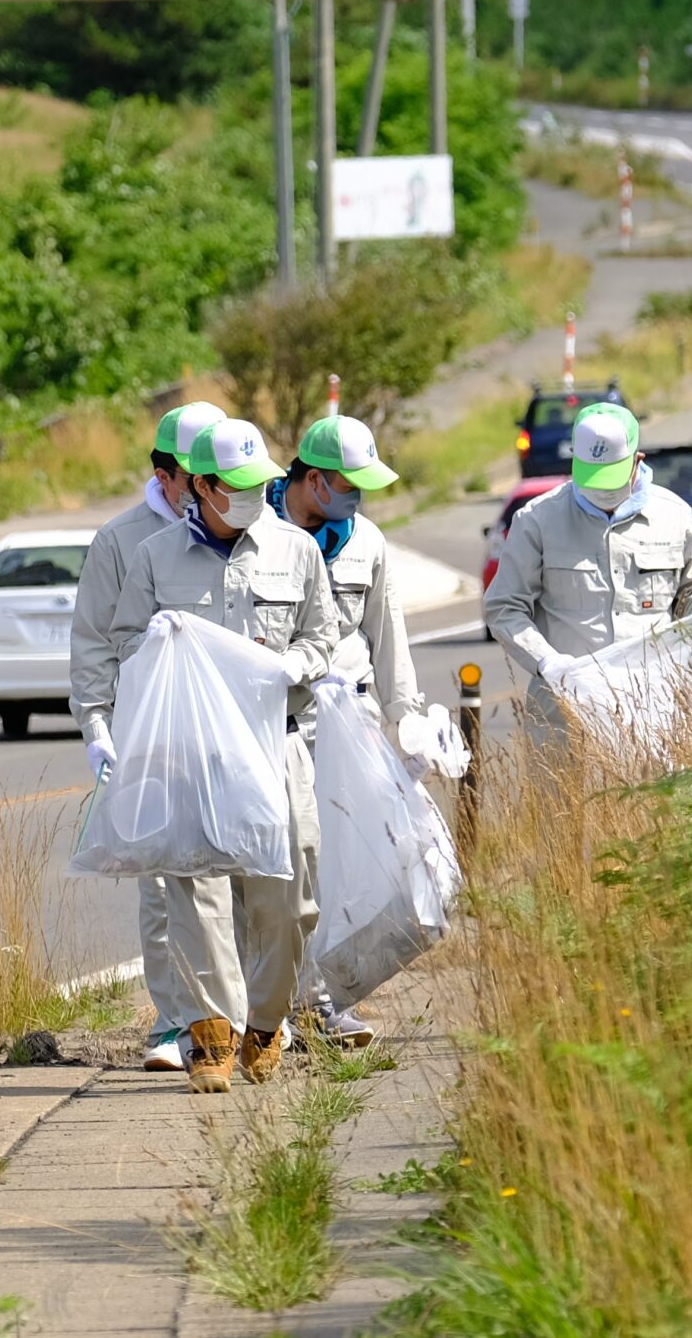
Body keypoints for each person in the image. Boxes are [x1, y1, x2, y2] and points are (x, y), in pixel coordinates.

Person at [109, 417, 340, 1093]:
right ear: (202, 486)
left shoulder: (295, 551)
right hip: (194, 753)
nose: (251, 496)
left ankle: (265, 1021)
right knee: (194, 888)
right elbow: (126, 643)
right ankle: (211, 1031)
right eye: (234, 486)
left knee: (289, 897)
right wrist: (159, 645)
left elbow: (321, 638)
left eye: (260, 484)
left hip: (278, 742)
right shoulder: (154, 557)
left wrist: (285, 667)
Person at [68, 399, 224, 1073]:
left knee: (244, 880)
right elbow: (93, 643)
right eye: (195, 476)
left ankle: (242, 1016)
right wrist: (97, 726)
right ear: (164, 474)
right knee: (162, 887)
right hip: (153, 739)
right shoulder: (120, 541)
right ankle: (173, 1023)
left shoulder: (246, 527)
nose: (208, 488)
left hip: (229, 735)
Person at [272, 413, 416, 1050]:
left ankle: (324, 1002)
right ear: (313, 478)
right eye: (347, 483)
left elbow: (388, 637)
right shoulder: (259, 535)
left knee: (343, 870)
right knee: (283, 871)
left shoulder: (368, 543)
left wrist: (405, 716)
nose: (355, 497)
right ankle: (272, 1007)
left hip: (349, 723)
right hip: (282, 724)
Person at [485, 402, 692, 742]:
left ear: (637, 460)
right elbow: (503, 607)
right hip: (565, 720)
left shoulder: (674, 516)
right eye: (593, 478)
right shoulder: (537, 521)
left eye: (612, 477)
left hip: (654, 714)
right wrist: (548, 663)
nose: (603, 491)